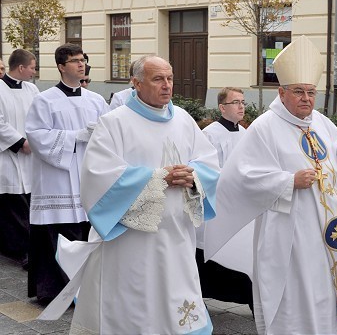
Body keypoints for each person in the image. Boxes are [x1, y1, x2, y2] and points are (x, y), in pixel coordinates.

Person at [204, 35, 337, 334]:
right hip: (292, 231)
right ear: (282, 93)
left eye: (311, 92)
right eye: (299, 91)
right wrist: (287, 181)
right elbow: (241, 176)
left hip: (332, 230)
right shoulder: (264, 128)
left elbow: (331, 158)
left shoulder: (320, 121)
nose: (307, 98)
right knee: (301, 287)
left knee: (330, 283)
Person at [39, 55, 220, 334]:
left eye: (169, 78)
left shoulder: (183, 119)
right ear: (135, 83)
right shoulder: (114, 123)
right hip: (132, 242)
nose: (167, 86)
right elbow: (99, 178)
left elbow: (209, 163)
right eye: (158, 79)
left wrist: (193, 175)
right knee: (136, 307)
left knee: (178, 303)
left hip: (177, 236)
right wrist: (159, 178)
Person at [25, 43, 109, 304]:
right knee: (57, 234)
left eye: (82, 59)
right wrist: (76, 137)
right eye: (74, 61)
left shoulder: (95, 100)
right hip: (57, 179)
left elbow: (109, 135)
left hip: (86, 174)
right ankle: (53, 291)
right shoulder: (44, 99)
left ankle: (87, 290)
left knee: (85, 232)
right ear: (61, 67)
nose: (80, 64)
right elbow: (36, 136)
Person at [196, 87, 253, 311]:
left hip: (241, 204)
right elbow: (208, 170)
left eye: (243, 102)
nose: (241, 107)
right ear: (222, 107)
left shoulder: (246, 133)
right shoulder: (210, 134)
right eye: (235, 102)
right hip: (218, 204)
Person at [0, 49, 39, 268]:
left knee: (29, 203)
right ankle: (22, 251)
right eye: (32, 67)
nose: (34, 71)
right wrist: (20, 142)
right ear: (22, 68)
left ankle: (30, 249)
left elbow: (39, 115)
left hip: (31, 155)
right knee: (14, 207)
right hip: (8, 157)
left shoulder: (32, 89)